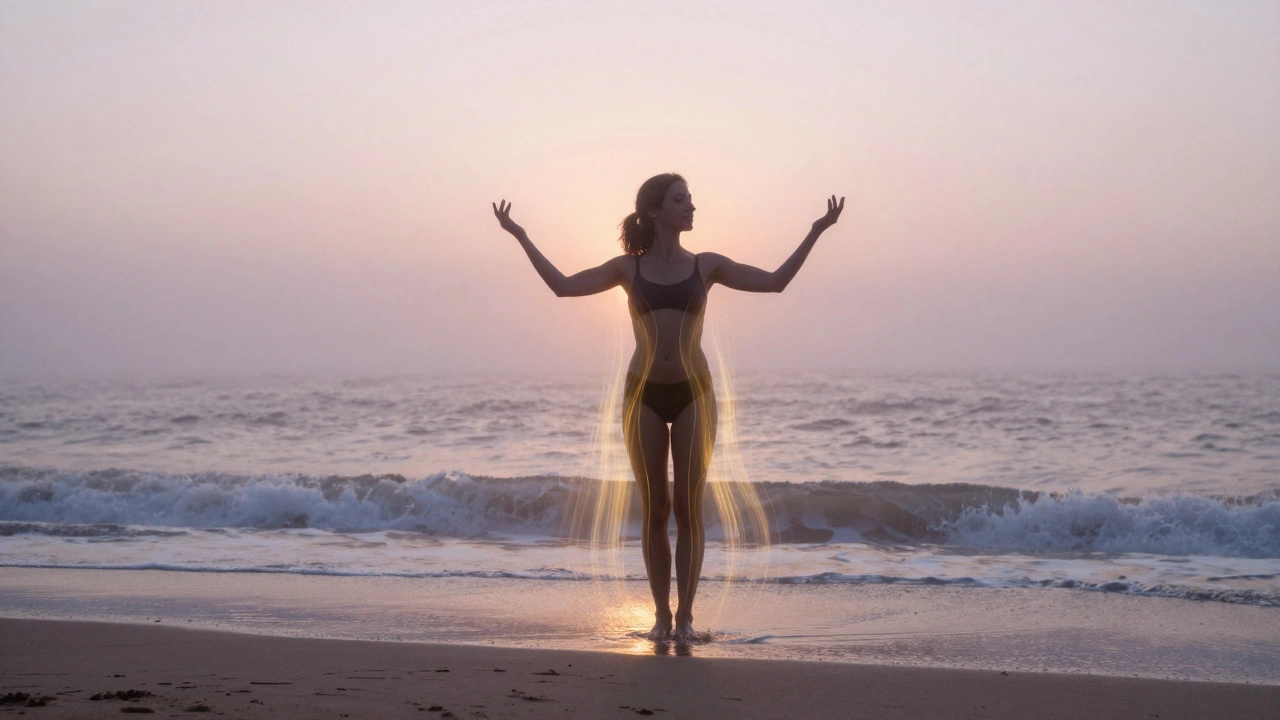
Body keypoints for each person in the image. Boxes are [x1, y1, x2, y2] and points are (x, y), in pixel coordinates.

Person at [493, 173, 843, 642]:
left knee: (688, 509)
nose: (692, 207)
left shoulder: (707, 265)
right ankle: (661, 617)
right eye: (682, 200)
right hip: (643, 393)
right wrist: (521, 236)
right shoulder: (627, 269)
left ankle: (687, 619)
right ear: (656, 211)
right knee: (655, 508)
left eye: (691, 200)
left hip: (694, 390)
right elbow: (562, 286)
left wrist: (816, 231)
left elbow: (775, 282)